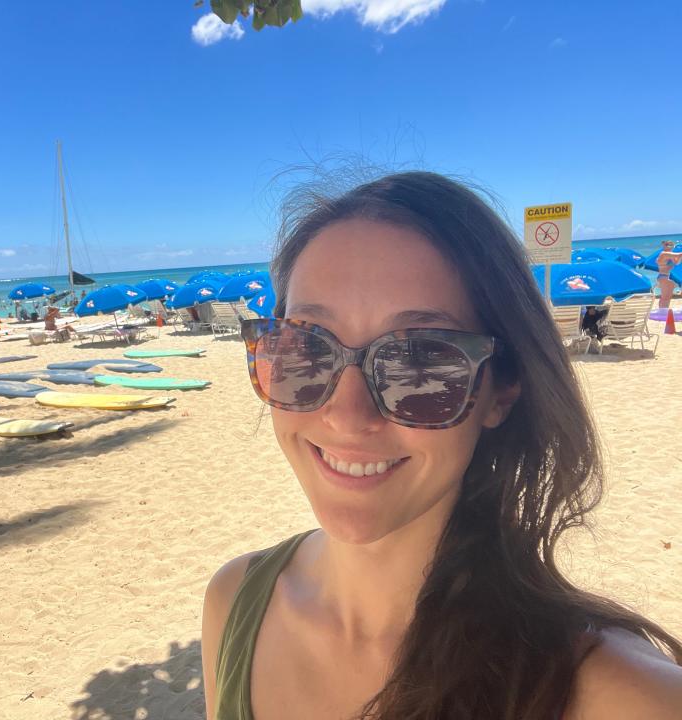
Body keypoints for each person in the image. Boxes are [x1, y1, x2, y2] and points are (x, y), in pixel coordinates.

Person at [201, 172, 682, 720]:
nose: (348, 415)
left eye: (422, 361)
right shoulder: (234, 603)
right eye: (306, 345)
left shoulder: (621, 697)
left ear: (501, 390)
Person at [655, 239, 682, 309]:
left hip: (669, 277)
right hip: (663, 277)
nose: (669, 246)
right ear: (664, 246)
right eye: (667, 245)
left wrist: (679, 257)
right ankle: (662, 311)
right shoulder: (664, 254)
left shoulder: (670, 256)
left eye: (671, 245)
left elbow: (677, 262)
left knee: (668, 297)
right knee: (665, 297)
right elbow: (679, 254)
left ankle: (664, 311)